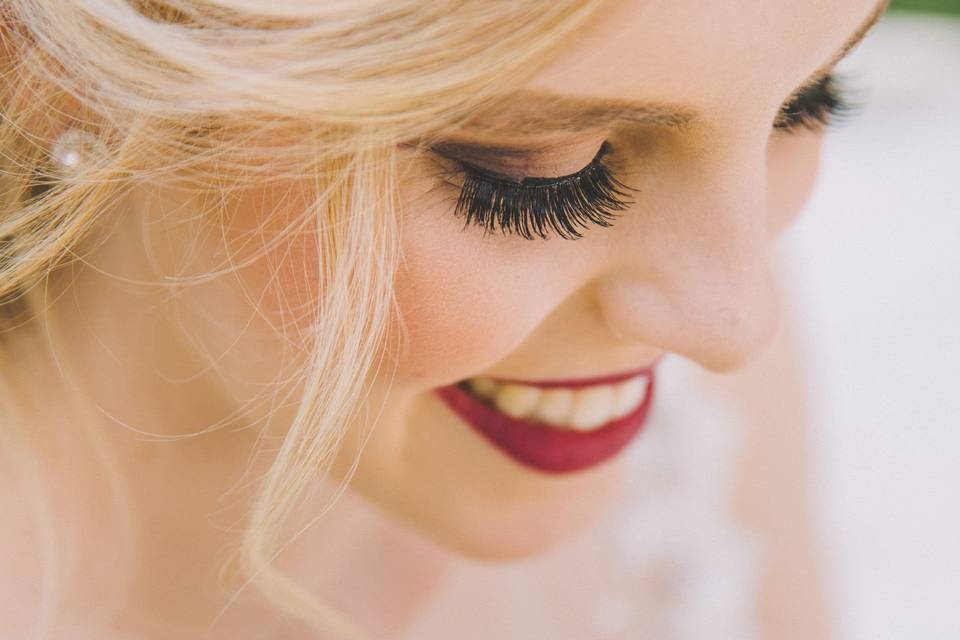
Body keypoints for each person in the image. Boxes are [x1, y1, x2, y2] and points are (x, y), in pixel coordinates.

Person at [0, 0, 887, 638]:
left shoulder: (687, 425)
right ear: (46, 63)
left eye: (804, 104)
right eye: (542, 175)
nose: (736, 321)